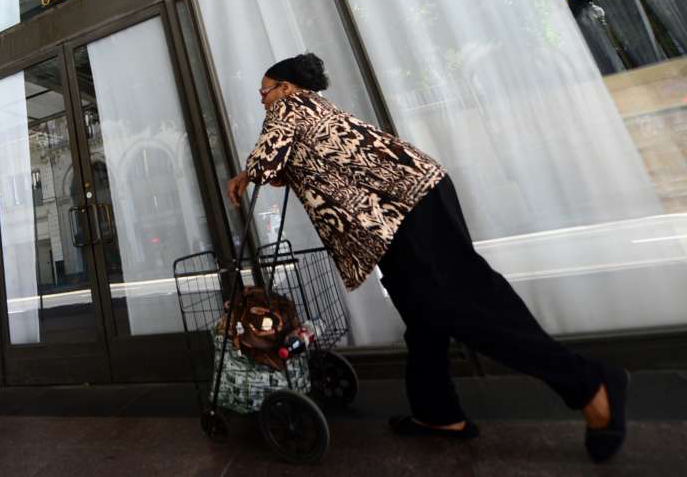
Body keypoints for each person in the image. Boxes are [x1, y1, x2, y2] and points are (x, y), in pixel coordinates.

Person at [226, 53, 628, 463]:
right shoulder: (313, 107)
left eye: (264, 90)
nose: (262, 99)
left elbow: (267, 158)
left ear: (286, 88)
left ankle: (589, 385)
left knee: (468, 307)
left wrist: (245, 174)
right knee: (425, 313)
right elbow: (304, 160)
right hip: (410, 203)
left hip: (402, 211)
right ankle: (438, 413)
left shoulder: (289, 107)